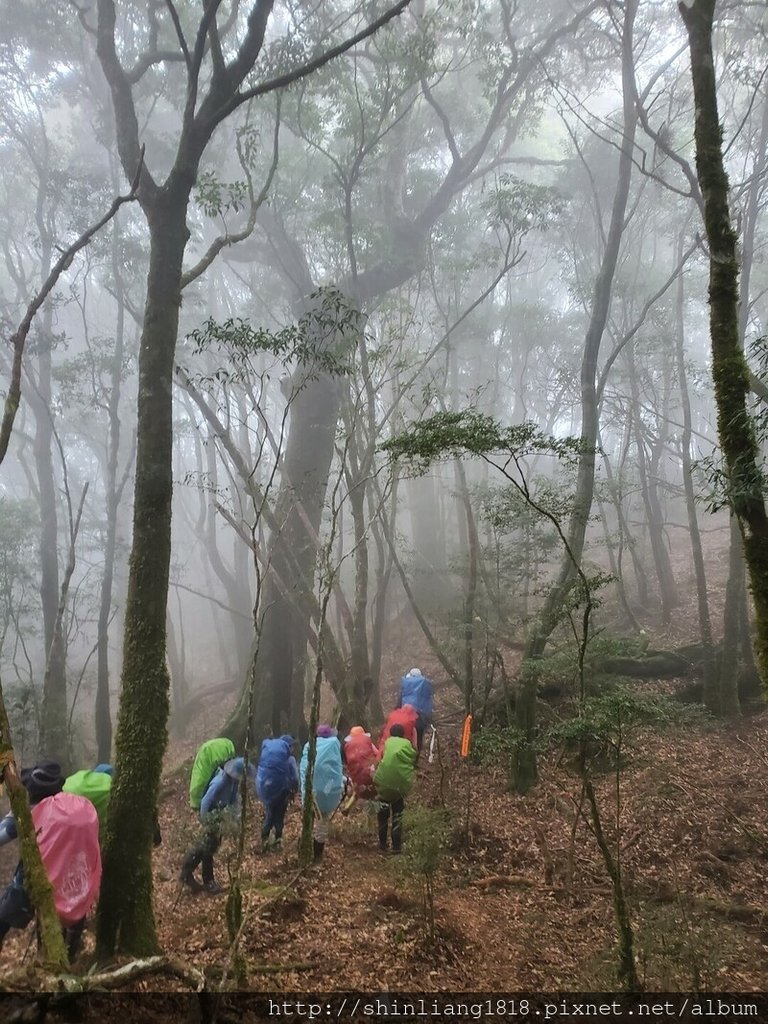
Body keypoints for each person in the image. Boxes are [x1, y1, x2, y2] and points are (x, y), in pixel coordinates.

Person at [0, 761, 101, 960]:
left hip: (33, 883)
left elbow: (3, 835)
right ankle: (66, 962)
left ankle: (48, 962)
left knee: (3, 919)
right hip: (71, 883)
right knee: (62, 927)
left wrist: (12, 819)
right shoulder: (72, 807)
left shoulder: (28, 813)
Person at [180, 756, 256, 894]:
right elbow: (205, 802)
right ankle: (208, 882)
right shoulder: (220, 781)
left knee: (208, 847)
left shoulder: (233, 783)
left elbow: (234, 801)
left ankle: (187, 873)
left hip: (220, 815)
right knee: (208, 848)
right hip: (211, 814)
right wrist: (206, 821)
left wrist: (236, 818)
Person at [299, 725, 344, 861]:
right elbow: (335, 772)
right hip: (327, 791)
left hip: (310, 791)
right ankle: (318, 854)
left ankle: (306, 849)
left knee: (309, 818)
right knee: (322, 821)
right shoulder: (334, 746)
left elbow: (303, 768)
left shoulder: (309, 746)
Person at [373, 724, 417, 854]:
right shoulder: (407, 744)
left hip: (384, 783)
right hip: (400, 785)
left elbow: (380, 759)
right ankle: (396, 847)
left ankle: (382, 845)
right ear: (403, 734)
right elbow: (413, 756)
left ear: (391, 733)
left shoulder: (387, 742)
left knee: (382, 815)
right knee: (398, 814)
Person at [256, 735, 299, 852]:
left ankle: (264, 839)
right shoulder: (290, 760)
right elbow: (295, 778)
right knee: (279, 815)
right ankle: (278, 840)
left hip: (266, 790)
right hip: (282, 792)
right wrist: (295, 789)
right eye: (292, 746)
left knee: (269, 813)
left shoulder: (268, 758)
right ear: (288, 747)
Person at [341, 726, 379, 813]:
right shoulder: (368, 742)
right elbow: (377, 754)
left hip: (356, 777)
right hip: (370, 774)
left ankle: (347, 807)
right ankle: (370, 818)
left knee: (357, 790)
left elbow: (347, 763)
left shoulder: (347, 747)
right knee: (372, 795)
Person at [398, 667, 434, 753]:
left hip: (406, 716)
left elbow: (399, 702)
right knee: (419, 736)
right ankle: (415, 757)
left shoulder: (406, 685)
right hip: (421, 717)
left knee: (406, 736)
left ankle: (406, 757)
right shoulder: (425, 685)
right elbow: (429, 701)